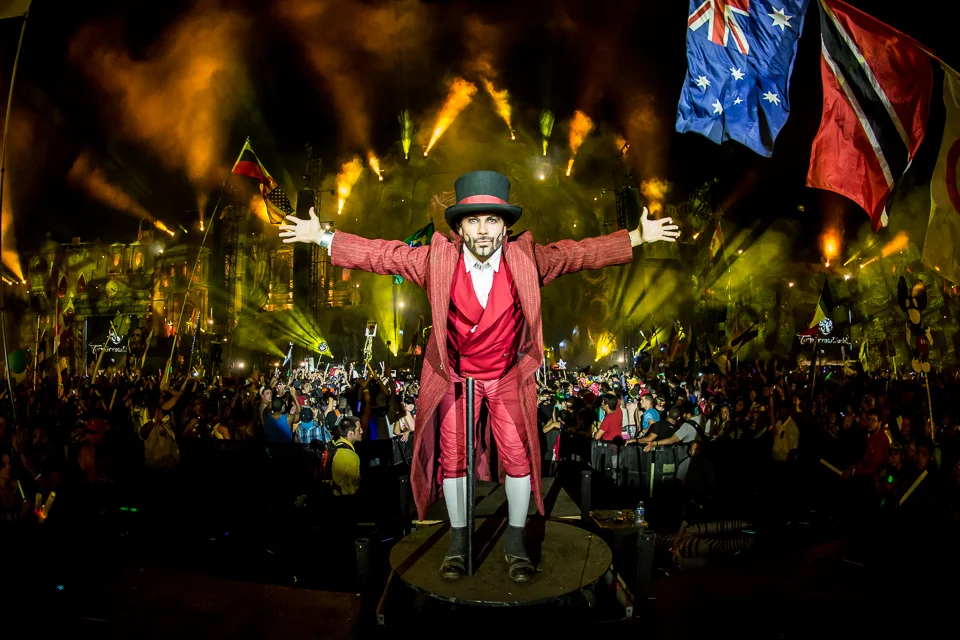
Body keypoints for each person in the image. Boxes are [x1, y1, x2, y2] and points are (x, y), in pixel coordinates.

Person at [280, 170, 678, 583]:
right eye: (473, 220)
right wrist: (322, 236)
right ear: (459, 227)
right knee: (453, 460)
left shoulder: (527, 258)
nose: (483, 230)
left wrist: (638, 237)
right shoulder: (436, 259)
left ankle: (515, 542)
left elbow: (578, 254)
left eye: (492, 220)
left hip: (505, 377)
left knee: (519, 458)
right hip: (456, 378)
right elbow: (383, 255)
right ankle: (458, 540)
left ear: (505, 226)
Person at [331, 416, 363, 497]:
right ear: (350, 433)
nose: (362, 431)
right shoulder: (351, 456)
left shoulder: (336, 444)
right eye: (359, 429)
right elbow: (353, 486)